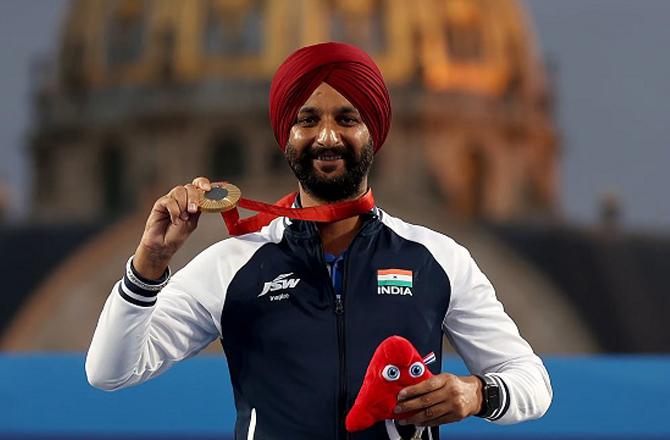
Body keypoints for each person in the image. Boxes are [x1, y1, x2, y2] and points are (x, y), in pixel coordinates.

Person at [86, 42, 552, 439]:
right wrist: (150, 261)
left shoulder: (437, 258)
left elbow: (533, 383)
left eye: (347, 118)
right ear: (286, 135)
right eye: (307, 120)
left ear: (374, 132)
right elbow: (109, 372)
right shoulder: (232, 264)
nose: (327, 136)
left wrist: (477, 394)